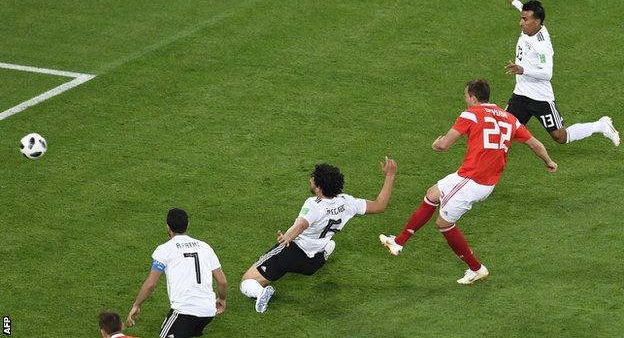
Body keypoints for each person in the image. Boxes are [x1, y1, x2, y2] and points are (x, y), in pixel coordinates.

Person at [380, 79, 557, 284]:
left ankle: (476, 268)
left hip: (473, 180)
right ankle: (398, 242)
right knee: (432, 194)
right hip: (480, 179)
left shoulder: (471, 114)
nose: (465, 100)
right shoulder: (510, 118)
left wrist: (436, 144)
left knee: (444, 224)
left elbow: (443, 145)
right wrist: (549, 161)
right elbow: (535, 144)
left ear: (473, 97)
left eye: (466, 96)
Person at [240, 159, 397, 313]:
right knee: (330, 243)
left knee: (246, 282)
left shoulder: (314, 204)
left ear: (319, 187)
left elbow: (301, 225)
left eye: (313, 178)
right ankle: (324, 252)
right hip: (313, 262)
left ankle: (262, 293)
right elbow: (379, 205)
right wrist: (390, 176)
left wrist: (287, 237)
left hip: (291, 254)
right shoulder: (347, 202)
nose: (310, 180)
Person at [500, 0, 619, 146]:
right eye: (522, 18)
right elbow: (529, 13)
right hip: (521, 92)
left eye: (524, 19)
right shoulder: (531, 26)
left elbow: (547, 73)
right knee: (504, 130)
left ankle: (601, 125)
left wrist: (523, 70)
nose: (520, 22)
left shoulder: (542, 45)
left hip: (540, 97)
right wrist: (514, 1)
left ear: (536, 22)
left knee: (560, 137)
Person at [126, 208, 227, 338]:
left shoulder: (164, 250)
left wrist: (136, 304)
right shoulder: (205, 247)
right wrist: (222, 299)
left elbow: (151, 283)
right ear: (187, 225)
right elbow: (222, 281)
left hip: (185, 311)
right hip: (208, 311)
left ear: (168, 227)